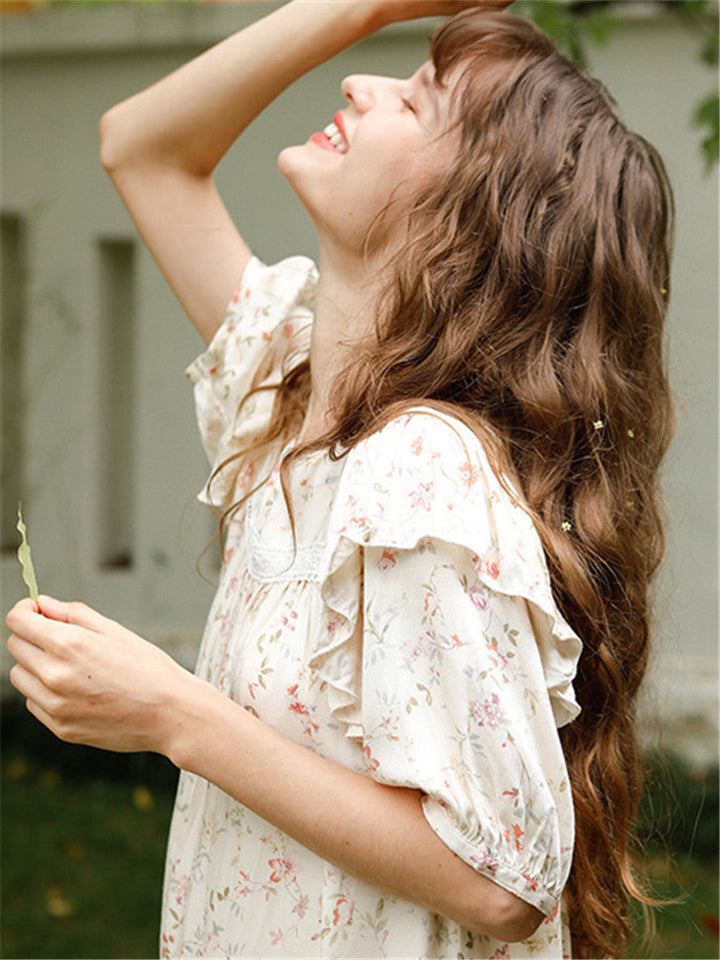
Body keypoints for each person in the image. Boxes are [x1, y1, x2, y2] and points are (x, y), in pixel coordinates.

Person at [5, 0, 674, 957]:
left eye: (417, 100)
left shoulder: (422, 469)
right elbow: (141, 148)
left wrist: (166, 712)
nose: (362, 83)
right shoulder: (295, 386)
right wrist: (365, 6)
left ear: (471, 217)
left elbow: (504, 877)